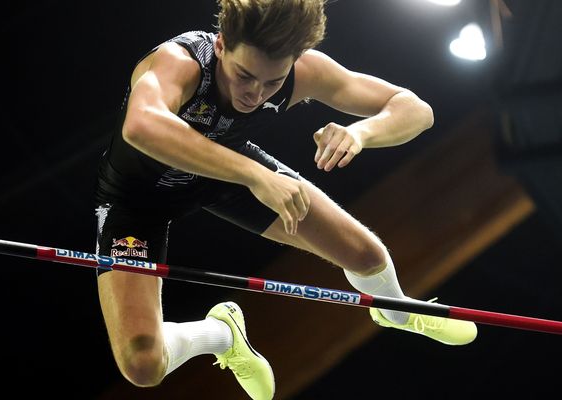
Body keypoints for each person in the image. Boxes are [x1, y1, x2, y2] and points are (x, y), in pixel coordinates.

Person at [94, 1, 477, 399]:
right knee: (143, 365)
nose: (255, 93)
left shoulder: (304, 71)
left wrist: (362, 133)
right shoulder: (180, 62)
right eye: (244, 75)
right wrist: (256, 175)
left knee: (366, 256)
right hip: (136, 201)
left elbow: (415, 109)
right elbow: (141, 126)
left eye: (272, 83)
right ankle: (222, 334)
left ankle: (396, 310)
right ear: (222, 44)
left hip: (227, 176)